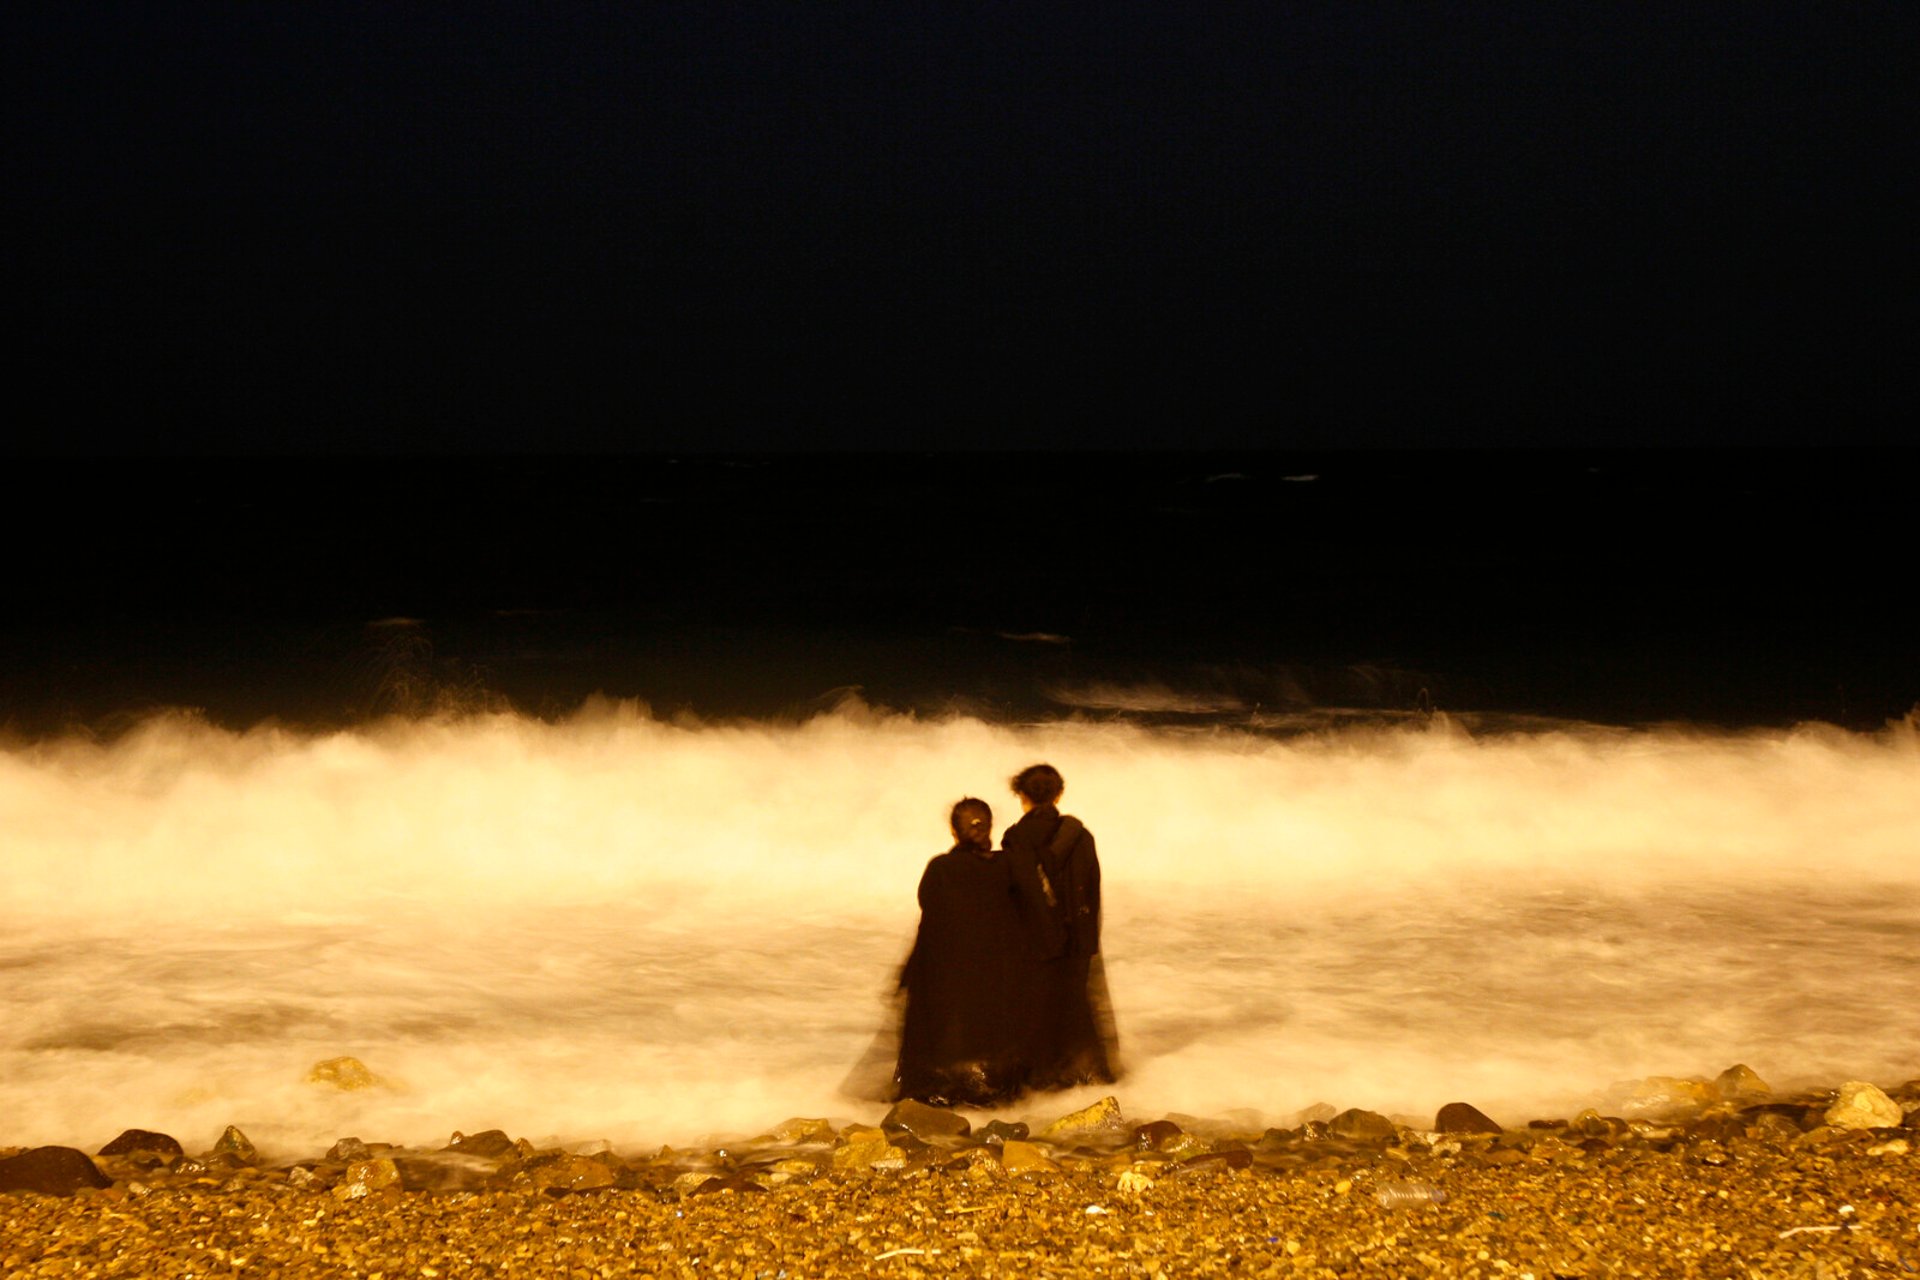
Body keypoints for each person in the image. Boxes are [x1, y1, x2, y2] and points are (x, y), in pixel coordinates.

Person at [892, 797, 1029, 1107]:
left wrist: (909, 973)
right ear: (989, 827)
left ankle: (947, 1093)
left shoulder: (941, 869)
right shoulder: (1008, 866)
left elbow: (929, 922)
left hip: (949, 978)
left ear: (954, 832)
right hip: (999, 976)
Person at [1000, 763, 1120, 1090]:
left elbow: (1015, 892)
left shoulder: (1015, 837)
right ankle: (1083, 1077)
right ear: (1060, 794)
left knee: (1033, 1010)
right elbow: (1090, 889)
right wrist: (1085, 940)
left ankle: (1037, 1082)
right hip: (1076, 940)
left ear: (1021, 795)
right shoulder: (1081, 836)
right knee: (1074, 1007)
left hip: (1033, 940)